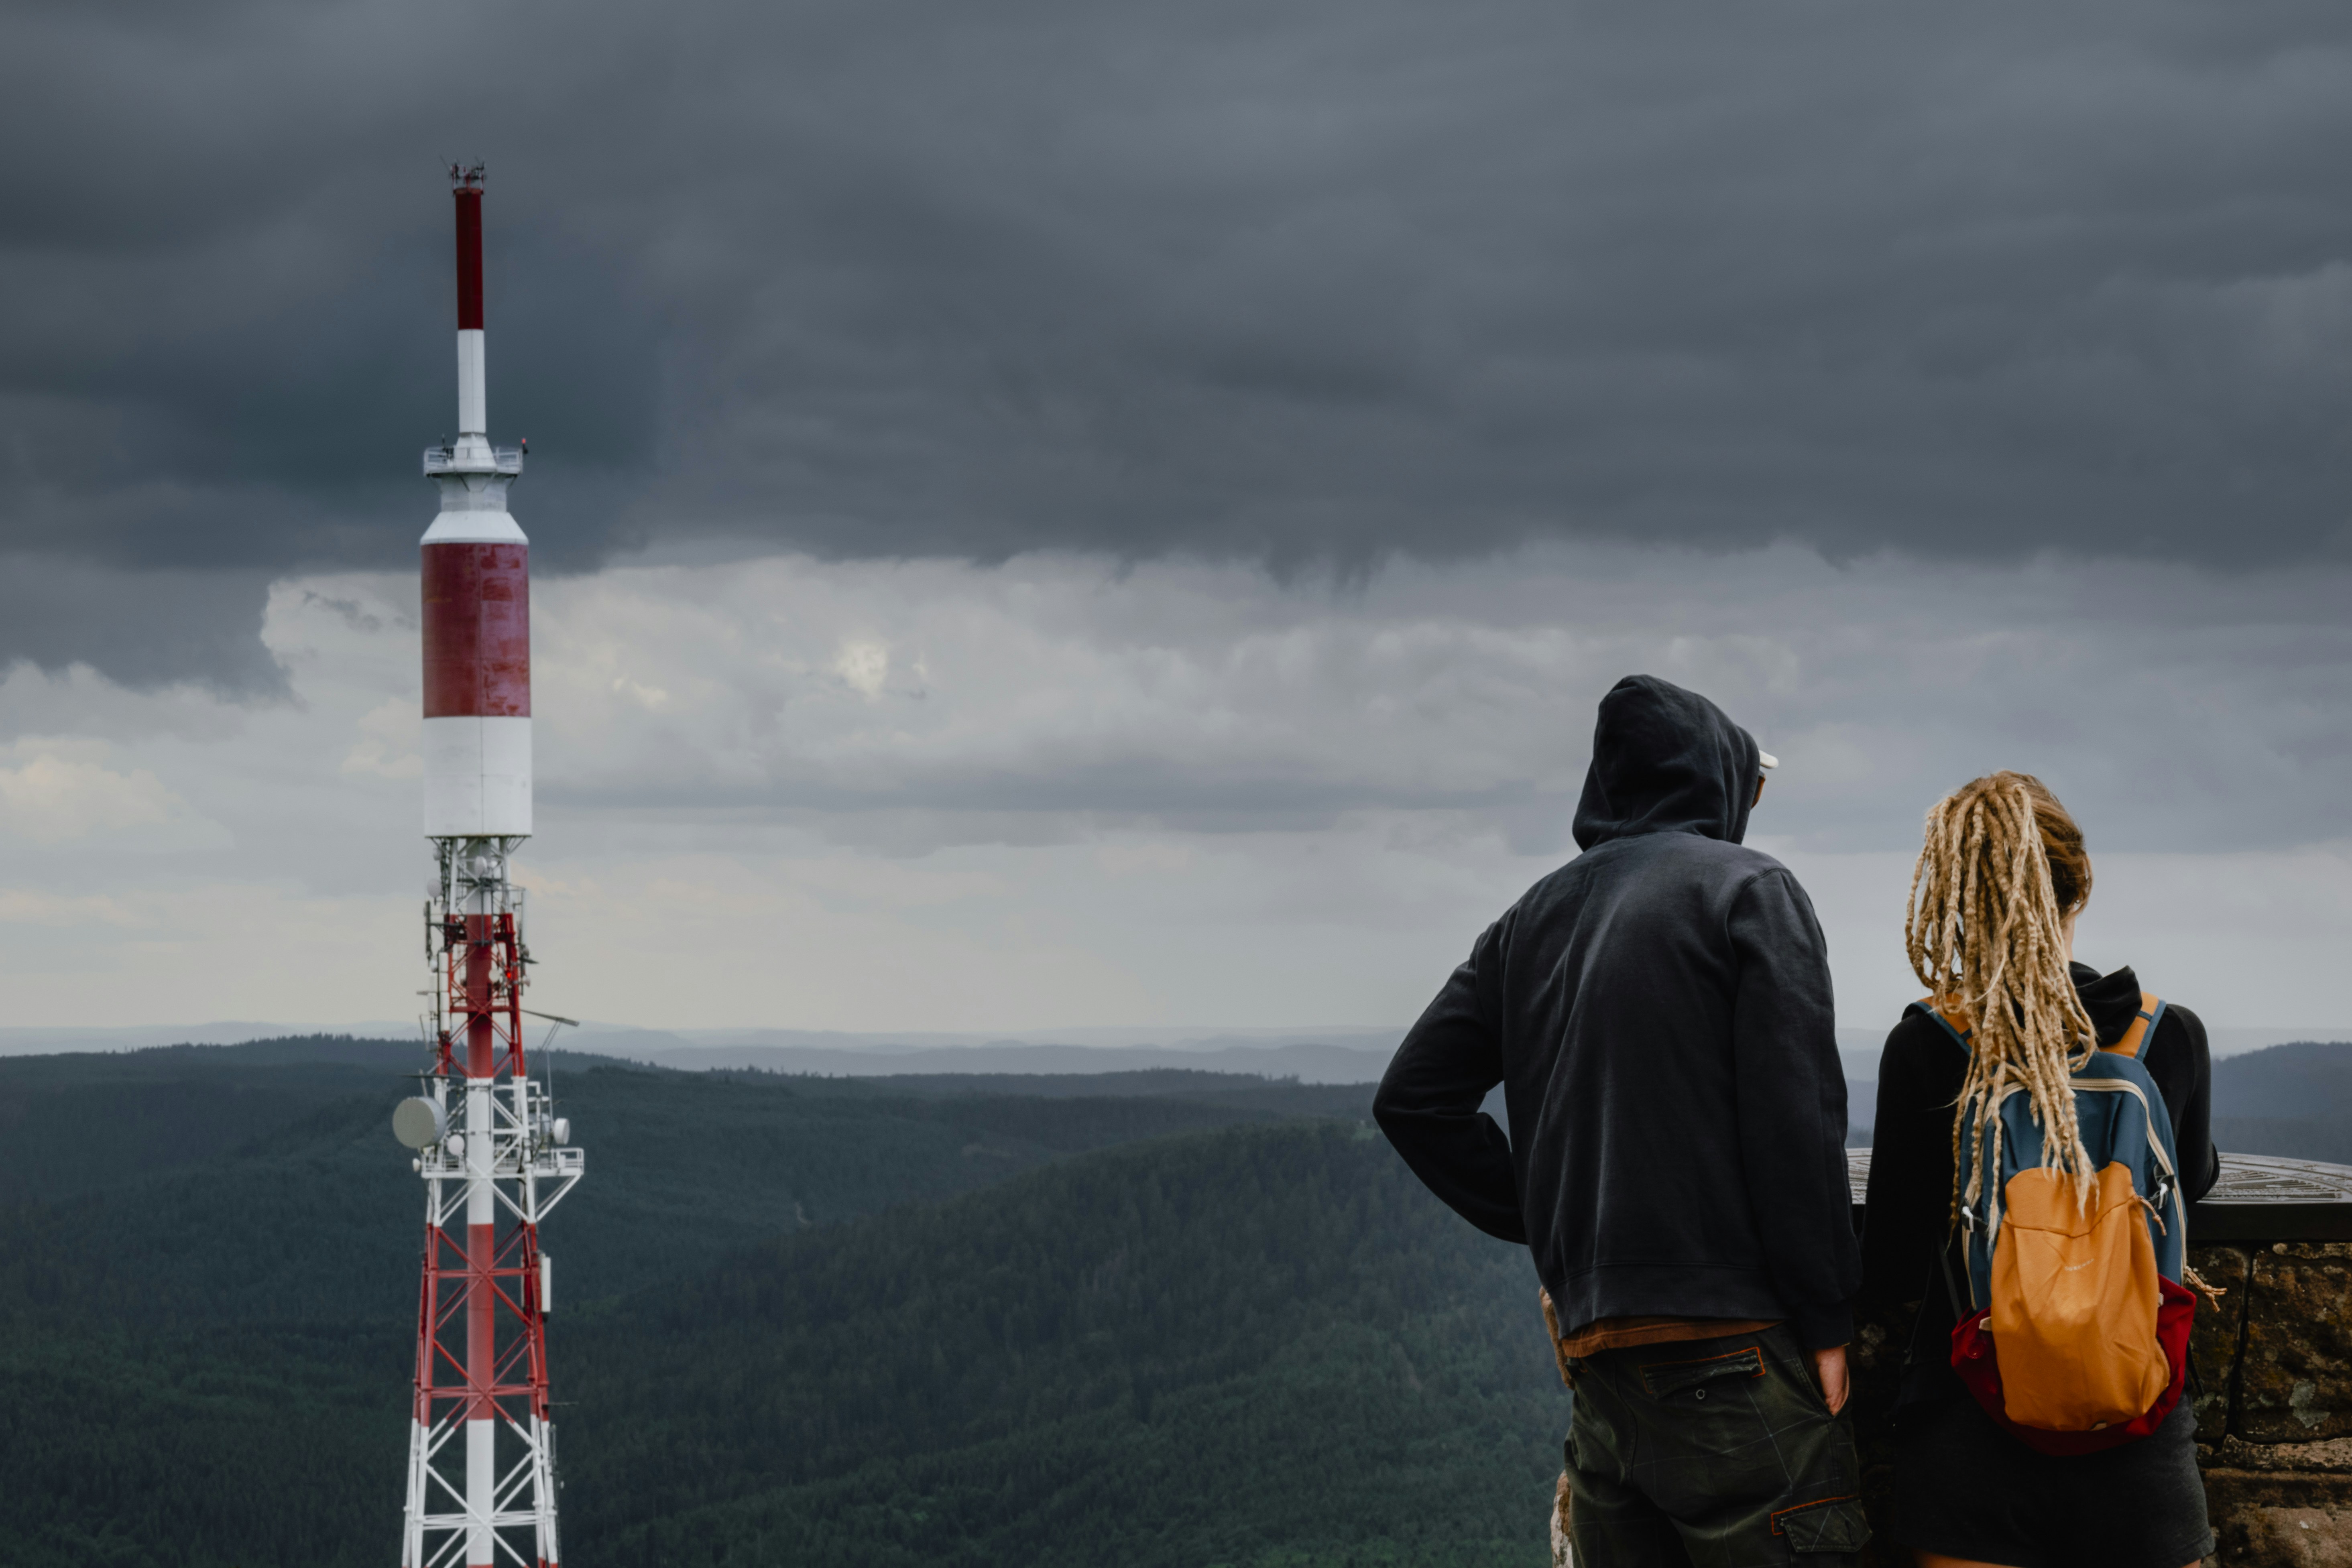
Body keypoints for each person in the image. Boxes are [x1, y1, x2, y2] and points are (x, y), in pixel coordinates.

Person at [1375, 674, 1867, 1565]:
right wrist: (1828, 1321)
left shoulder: (1529, 918)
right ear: (1715, 778)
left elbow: (1413, 1098)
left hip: (1600, 1368)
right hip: (1736, 1353)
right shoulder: (1750, 889)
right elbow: (1796, 1120)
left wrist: (1554, 1212)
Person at [1861, 772, 2218, 1568]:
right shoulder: (2168, 1037)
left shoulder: (1924, 1046)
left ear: (1957, 901)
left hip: (1967, 1430)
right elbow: (2188, 1187)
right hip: (2136, 1434)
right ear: (2077, 889)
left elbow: (1888, 1257)